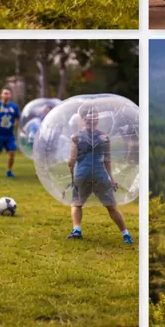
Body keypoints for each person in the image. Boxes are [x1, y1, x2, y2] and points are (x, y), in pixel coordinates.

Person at [66, 102, 132, 243]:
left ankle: (77, 230)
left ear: (83, 119)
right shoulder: (104, 137)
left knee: (77, 204)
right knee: (112, 207)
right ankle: (125, 234)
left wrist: (71, 174)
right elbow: (107, 161)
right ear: (97, 120)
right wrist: (111, 179)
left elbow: (71, 161)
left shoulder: (76, 137)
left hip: (82, 174)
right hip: (100, 174)